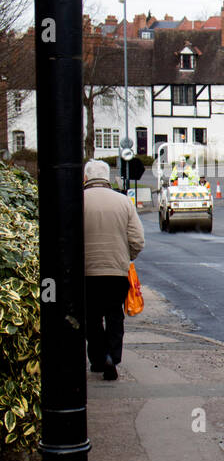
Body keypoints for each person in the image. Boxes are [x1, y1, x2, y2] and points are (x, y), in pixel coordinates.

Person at [83, 159, 144, 381]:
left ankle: (98, 359)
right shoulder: (124, 202)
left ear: (86, 178)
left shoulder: (76, 199)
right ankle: (113, 358)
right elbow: (137, 239)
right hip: (117, 271)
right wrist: (127, 258)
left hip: (87, 272)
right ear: (107, 178)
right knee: (114, 315)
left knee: (91, 318)